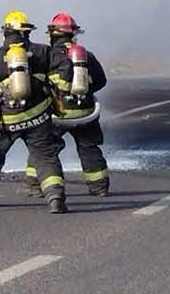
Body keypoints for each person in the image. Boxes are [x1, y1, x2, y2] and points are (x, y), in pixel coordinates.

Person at [0, 10, 68, 214]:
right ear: (27, 33)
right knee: (45, 157)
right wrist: (50, 88)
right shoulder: (42, 52)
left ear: (5, 33)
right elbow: (65, 67)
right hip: (38, 118)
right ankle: (55, 197)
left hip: (5, 121)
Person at [27, 12, 110, 196]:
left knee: (43, 149)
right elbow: (101, 81)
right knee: (89, 148)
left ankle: (37, 186)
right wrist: (85, 92)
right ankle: (99, 187)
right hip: (86, 112)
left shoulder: (48, 55)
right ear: (73, 34)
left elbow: (37, 82)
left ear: (52, 35)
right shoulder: (86, 56)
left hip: (58, 113)